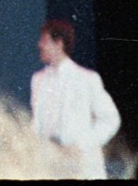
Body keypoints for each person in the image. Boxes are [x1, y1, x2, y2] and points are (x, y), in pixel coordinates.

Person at [30, 19, 120, 179]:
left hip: (82, 166)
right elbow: (38, 122)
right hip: (51, 166)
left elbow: (111, 119)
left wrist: (82, 145)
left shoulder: (86, 79)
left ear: (58, 43)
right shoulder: (38, 80)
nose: (39, 45)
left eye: (44, 41)